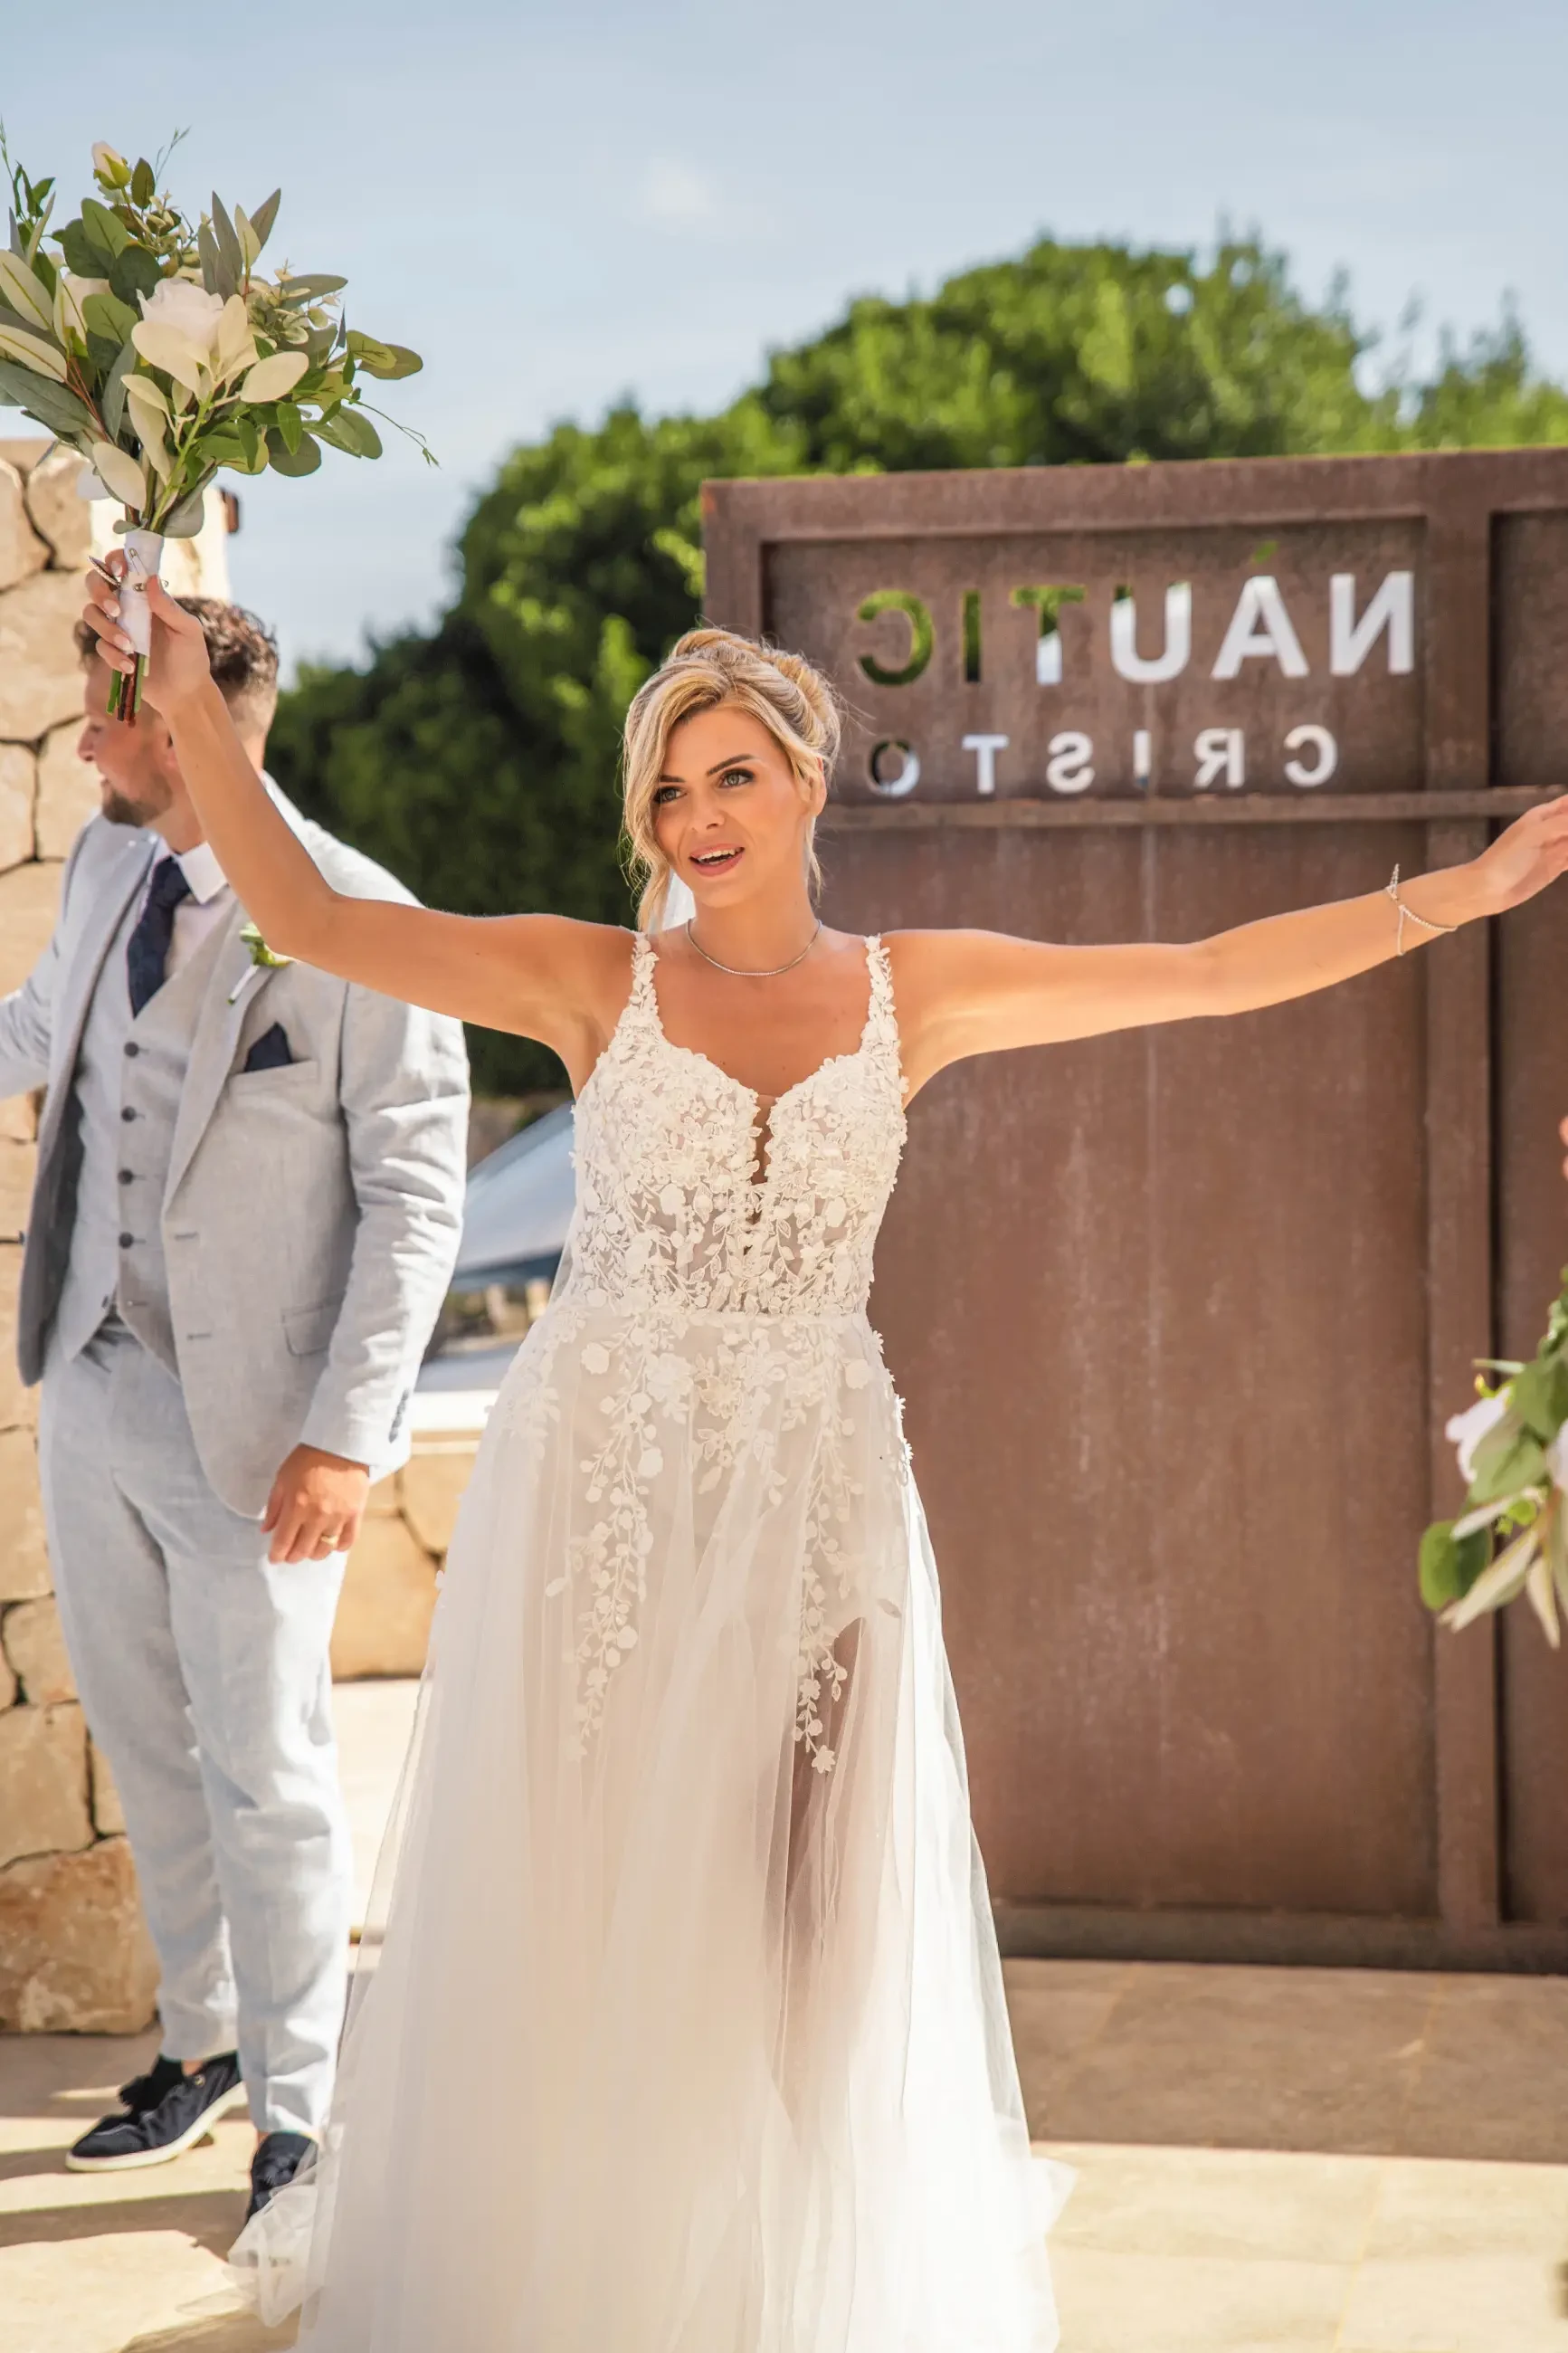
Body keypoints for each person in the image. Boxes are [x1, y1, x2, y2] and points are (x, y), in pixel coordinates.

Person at [82, 563, 1568, 2350]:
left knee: (813, 1914)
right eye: (666, 786)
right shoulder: (591, 981)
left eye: (728, 775)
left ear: (803, 781)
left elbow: (1197, 972)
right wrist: (179, 700)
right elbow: (310, 917)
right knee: (600, 1904)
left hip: (819, 1485)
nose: (694, 816)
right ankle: (592, 2282)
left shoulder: (909, 995)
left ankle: (782, 2283)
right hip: (610, 1490)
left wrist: (1463, 895)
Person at [0, 596, 469, 2224]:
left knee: (268, 1761)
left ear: (201, 716)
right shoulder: (107, 867)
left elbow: (417, 1193)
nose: (84, 736)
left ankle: (304, 2102)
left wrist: (349, 1433)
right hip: (95, 1378)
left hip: (264, 1431)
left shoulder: (359, 917)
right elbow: (44, 1034)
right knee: (150, 1740)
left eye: (111, 708)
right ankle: (201, 2049)